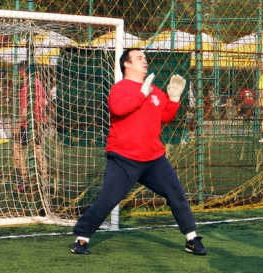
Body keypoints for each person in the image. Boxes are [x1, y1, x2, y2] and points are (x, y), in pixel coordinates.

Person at [70, 48, 207, 256]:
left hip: (154, 159)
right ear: (127, 64)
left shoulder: (155, 91)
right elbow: (118, 109)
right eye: (139, 58)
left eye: (145, 58)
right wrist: (142, 94)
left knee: (176, 193)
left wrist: (174, 98)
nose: (145, 61)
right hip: (124, 159)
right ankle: (81, 239)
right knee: (108, 199)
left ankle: (191, 239)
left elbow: (167, 116)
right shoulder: (120, 88)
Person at [12, 62, 48, 192]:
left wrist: (17, 124)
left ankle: (25, 179)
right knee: (38, 150)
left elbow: (27, 107)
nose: (19, 73)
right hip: (39, 120)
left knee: (16, 148)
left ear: (23, 71)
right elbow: (44, 102)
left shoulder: (28, 85)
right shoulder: (38, 82)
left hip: (29, 122)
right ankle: (44, 180)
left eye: (20, 70)